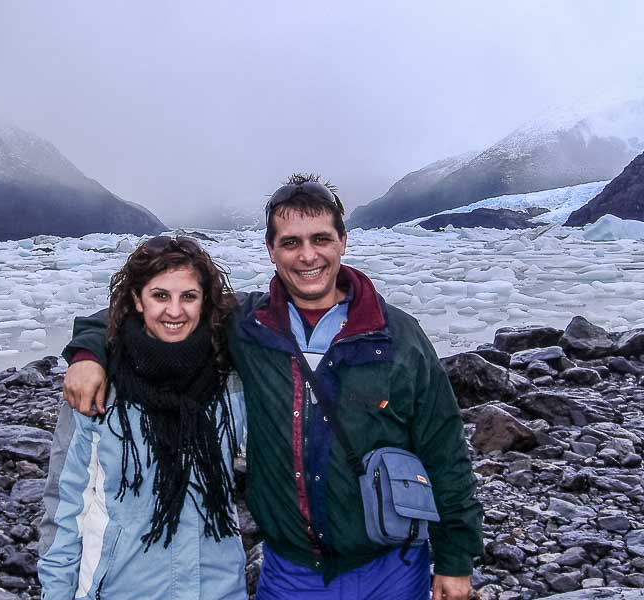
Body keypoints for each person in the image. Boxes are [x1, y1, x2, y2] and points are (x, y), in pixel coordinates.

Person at [60, 174, 483, 600]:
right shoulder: (249, 326)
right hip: (290, 572)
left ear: (342, 241)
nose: (308, 256)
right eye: (291, 242)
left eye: (320, 239)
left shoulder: (397, 336)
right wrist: (87, 353)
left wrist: (455, 559)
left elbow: (444, 450)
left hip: (391, 566)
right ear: (271, 249)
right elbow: (154, 313)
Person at [38, 237, 247, 600]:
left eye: (189, 297)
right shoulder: (99, 384)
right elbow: (65, 506)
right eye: (160, 296)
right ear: (138, 299)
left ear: (205, 301)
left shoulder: (231, 381)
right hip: (120, 588)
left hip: (217, 587)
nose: (175, 311)